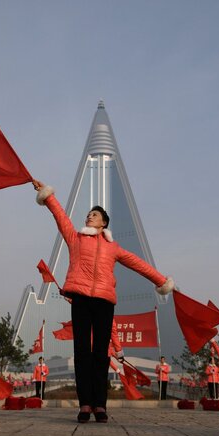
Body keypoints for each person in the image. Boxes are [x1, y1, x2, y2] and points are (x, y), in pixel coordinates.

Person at [33, 180, 173, 423]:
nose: (89, 217)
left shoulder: (113, 248)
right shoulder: (75, 238)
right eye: (88, 214)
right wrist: (47, 196)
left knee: (100, 353)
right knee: (82, 352)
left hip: (104, 302)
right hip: (80, 298)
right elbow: (61, 217)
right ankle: (85, 403)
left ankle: (100, 405)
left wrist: (161, 281)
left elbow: (138, 263)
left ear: (103, 222)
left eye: (94, 215)